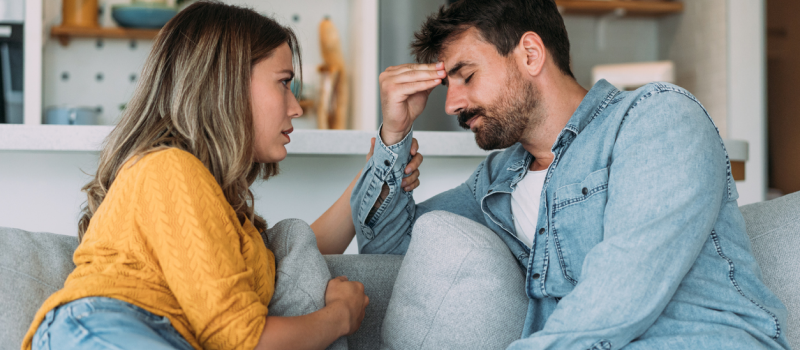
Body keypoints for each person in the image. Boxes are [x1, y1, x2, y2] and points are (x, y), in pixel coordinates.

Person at [350, 0, 792, 349]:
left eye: (465, 76)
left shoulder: (657, 118)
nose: (451, 105)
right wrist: (395, 133)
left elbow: (621, 294)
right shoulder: (498, 180)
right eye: (448, 86)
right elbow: (387, 250)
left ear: (529, 53)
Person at [21, 2, 424, 350]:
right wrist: (340, 316)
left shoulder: (222, 213)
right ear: (226, 84)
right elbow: (243, 341)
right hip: (106, 328)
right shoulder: (168, 168)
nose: (296, 107)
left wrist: (381, 166)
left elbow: (298, 250)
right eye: (284, 83)